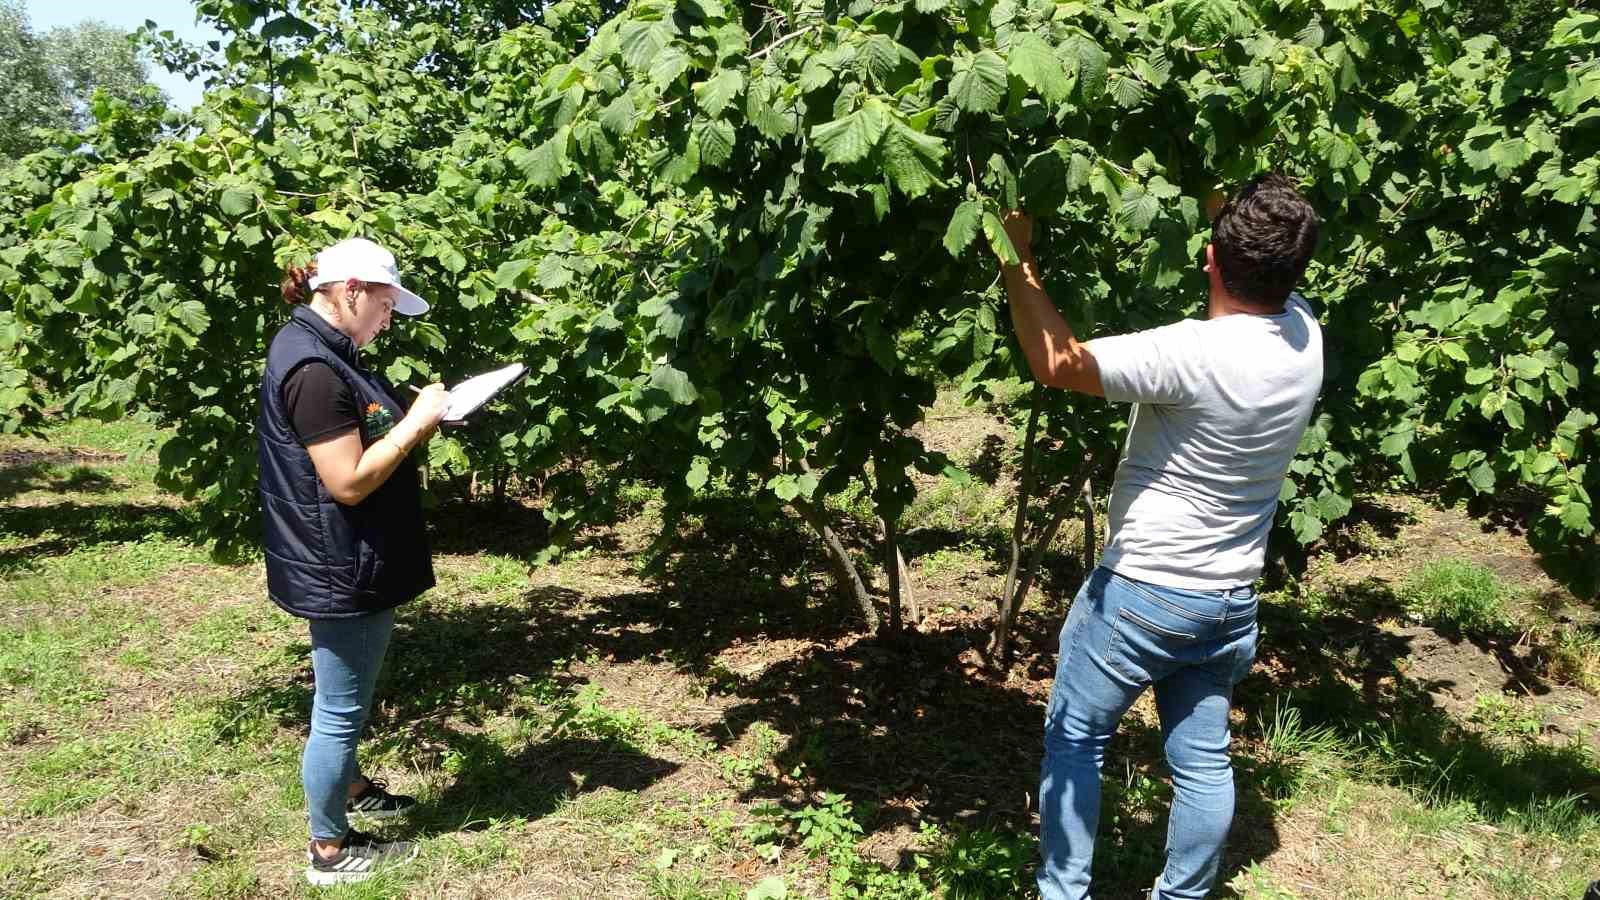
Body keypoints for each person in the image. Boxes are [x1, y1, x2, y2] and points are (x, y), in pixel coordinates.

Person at [993, 174, 1324, 900]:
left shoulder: (1191, 355)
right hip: (1228, 601)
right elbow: (1256, 255)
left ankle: (1063, 893)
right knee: (1204, 760)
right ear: (1293, 268)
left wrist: (1015, 256)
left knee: (1076, 740)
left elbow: (1058, 363)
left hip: (1143, 595)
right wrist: (1222, 200)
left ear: (1210, 258)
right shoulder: (1305, 336)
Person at [257, 237, 451, 885]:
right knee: (339, 711)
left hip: (341, 554)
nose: (390, 318)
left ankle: (351, 785)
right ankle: (330, 852)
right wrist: (416, 425)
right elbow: (346, 481)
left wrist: (421, 415)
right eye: (387, 304)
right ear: (351, 292)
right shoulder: (313, 369)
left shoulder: (326, 352)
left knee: (344, 698)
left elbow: (363, 426)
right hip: (341, 566)